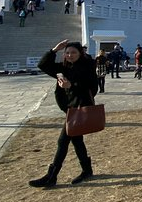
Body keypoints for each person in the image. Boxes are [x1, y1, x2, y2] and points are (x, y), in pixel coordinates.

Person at [30, 40, 99, 188]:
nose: (70, 55)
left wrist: (71, 86)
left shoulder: (87, 66)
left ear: (80, 53)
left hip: (79, 109)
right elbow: (42, 65)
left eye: (73, 52)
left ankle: (52, 176)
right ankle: (87, 170)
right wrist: (53, 50)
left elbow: (93, 88)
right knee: (77, 141)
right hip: (69, 108)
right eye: (67, 53)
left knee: (63, 141)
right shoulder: (64, 67)